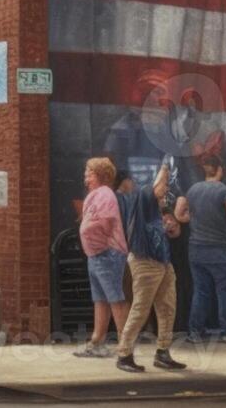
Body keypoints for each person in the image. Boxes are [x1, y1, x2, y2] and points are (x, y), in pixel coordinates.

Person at [115, 161, 187, 373]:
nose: (166, 192)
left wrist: (171, 228)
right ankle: (124, 354)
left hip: (162, 263)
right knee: (140, 309)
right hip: (145, 263)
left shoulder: (156, 211)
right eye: (164, 189)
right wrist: (165, 167)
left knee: (167, 308)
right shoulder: (145, 197)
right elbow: (156, 188)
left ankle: (163, 353)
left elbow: (172, 233)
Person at [179, 155, 226, 345]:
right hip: (219, 249)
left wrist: (195, 220)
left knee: (201, 291)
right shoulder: (225, 191)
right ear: (220, 169)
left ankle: (195, 332)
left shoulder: (192, 190)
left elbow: (180, 214)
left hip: (195, 248)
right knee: (224, 291)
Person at [76, 157, 128, 358]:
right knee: (101, 299)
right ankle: (97, 340)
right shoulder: (96, 195)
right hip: (97, 255)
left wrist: (92, 237)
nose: (85, 176)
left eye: (89, 172)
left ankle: (125, 343)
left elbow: (105, 223)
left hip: (107, 253)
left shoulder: (105, 194)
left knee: (115, 298)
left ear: (101, 175)